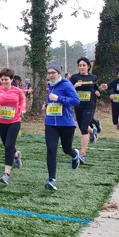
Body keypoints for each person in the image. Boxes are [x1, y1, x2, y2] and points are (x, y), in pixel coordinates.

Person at [43, 62, 81, 191]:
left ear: (59, 73)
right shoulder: (49, 85)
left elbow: (76, 100)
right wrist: (46, 105)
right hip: (50, 123)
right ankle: (52, 180)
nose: (51, 75)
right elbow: (51, 100)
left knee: (66, 149)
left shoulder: (66, 84)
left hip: (66, 123)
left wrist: (59, 98)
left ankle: (74, 154)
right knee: (51, 149)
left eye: (53, 73)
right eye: (49, 73)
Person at [0, 68, 25, 184]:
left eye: (6, 79)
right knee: (7, 145)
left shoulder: (17, 91)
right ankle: (16, 155)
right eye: (2, 79)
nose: (4, 81)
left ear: (11, 79)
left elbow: (22, 101)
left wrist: (22, 109)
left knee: (8, 146)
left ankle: (6, 174)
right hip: (1, 122)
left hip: (15, 121)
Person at [70, 56, 106, 164]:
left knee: (84, 128)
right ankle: (93, 131)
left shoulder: (93, 77)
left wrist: (99, 91)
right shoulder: (74, 77)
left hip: (90, 105)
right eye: (80, 65)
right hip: (78, 105)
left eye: (84, 65)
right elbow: (68, 89)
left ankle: (82, 154)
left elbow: (96, 88)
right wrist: (74, 86)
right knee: (82, 126)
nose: (82, 67)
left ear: (88, 66)